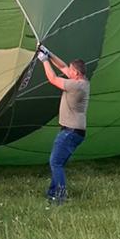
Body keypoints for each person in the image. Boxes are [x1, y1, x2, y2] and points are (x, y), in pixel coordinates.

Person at [37, 47, 89, 204]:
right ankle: (52, 193)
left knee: (55, 162)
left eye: (71, 70)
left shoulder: (76, 86)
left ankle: (60, 197)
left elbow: (53, 78)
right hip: (76, 131)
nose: (69, 71)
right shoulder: (82, 82)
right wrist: (49, 53)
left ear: (76, 74)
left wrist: (44, 60)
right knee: (58, 163)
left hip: (70, 132)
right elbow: (62, 67)